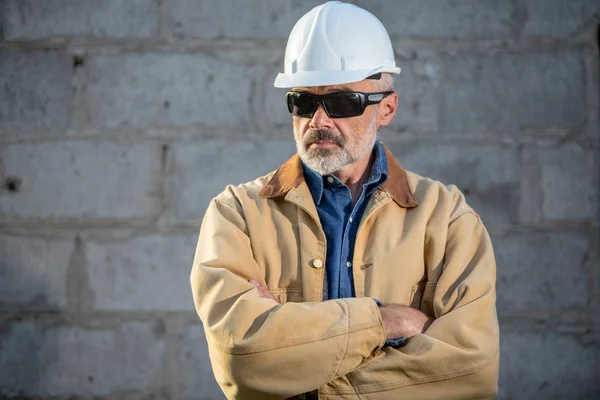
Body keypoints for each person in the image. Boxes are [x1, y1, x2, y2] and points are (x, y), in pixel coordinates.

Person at [190, 2, 499, 399]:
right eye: (302, 101)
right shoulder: (236, 215)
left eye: (340, 102)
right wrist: (386, 323)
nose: (318, 120)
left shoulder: (447, 217)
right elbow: (243, 359)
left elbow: (471, 369)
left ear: (386, 108)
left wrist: (299, 364)